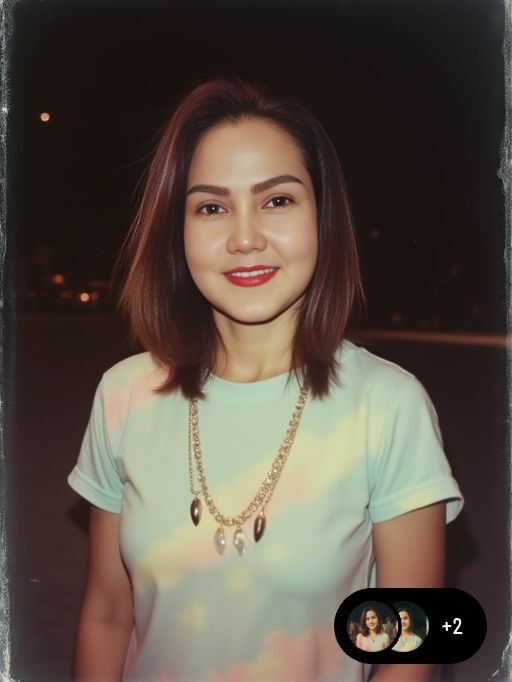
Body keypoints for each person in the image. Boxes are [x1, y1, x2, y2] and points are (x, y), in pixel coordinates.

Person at [68, 78, 463, 682]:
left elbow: (410, 650)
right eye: (211, 207)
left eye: (277, 200)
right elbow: (107, 614)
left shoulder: (387, 406)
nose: (245, 238)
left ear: (323, 216)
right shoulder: (122, 394)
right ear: (177, 231)